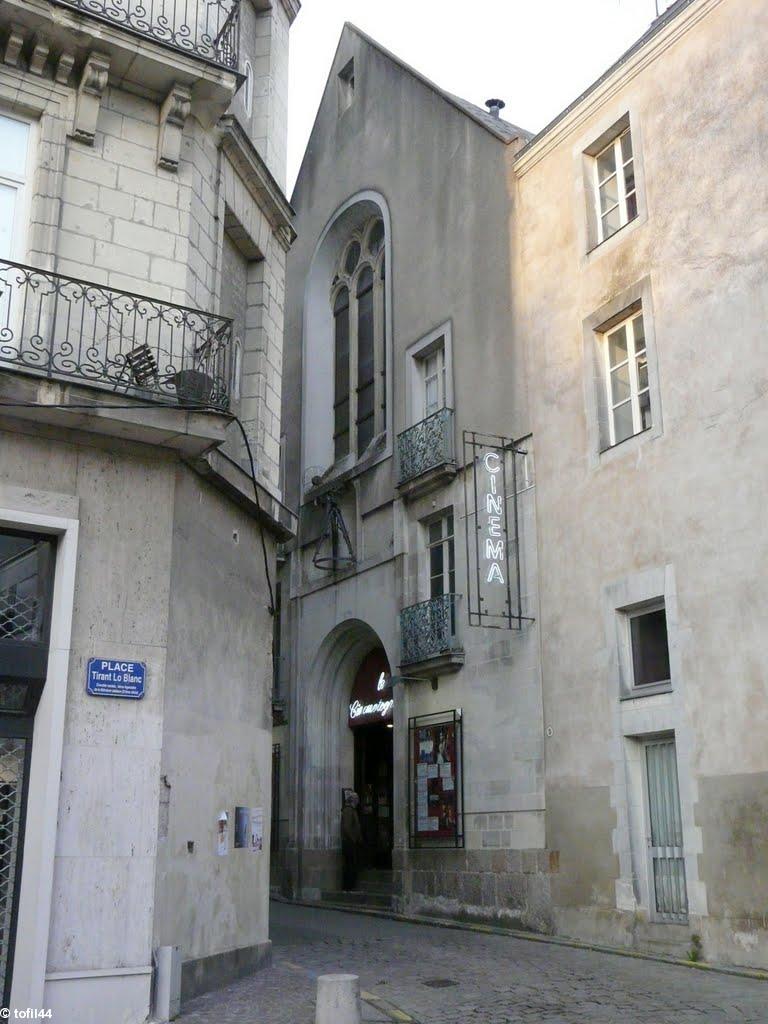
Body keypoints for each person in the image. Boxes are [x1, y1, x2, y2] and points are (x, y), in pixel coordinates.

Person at [341, 791, 362, 890]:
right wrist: (353, 839)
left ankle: (350, 887)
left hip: (351, 842)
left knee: (352, 864)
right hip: (349, 843)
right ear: (352, 800)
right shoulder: (348, 811)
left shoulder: (352, 810)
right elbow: (347, 827)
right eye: (356, 799)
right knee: (350, 865)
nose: (358, 801)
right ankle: (348, 887)